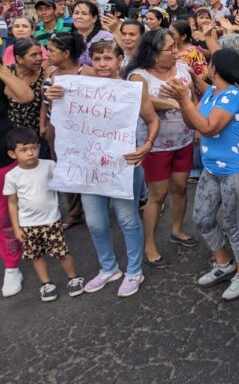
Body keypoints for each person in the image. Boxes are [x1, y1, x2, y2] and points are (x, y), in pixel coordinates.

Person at [50, 40, 159, 297]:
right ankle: (108, 268)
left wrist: (147, 145)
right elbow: (62, 117)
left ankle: (134, 271)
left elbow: (152, 119)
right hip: (88, 167)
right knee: (96, 223)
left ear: (120, 60)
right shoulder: (77, 88)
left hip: (123, 166)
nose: (102, 64)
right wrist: (54, 97)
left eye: (108, 58)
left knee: (127, 220)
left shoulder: (131, 90)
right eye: (97, 59)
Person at [162, 49, 239, 301]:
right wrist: (184, 100)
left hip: (236, 170)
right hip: (212, 168)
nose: (206, 66)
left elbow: (207, 127)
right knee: (202, 218)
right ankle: (223, 263)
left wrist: (184, 99)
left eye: (209, 63)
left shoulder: (232, 96)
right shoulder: (211, 92)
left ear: (215, 68)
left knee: (233, 224)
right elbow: (191, 122)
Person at [125, 30, 198, 268]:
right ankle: (149, 244)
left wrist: (196, 122)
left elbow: (193, 98)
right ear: (154, 54)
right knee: (157, 194)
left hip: (184, 140)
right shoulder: (138, 76)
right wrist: (176, 102)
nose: (176, 52)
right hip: (155, 145)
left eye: (176, 46)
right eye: (170, 48)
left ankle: (177, 230)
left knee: (180, 188)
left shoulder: (183, 69)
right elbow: (144, 100)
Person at [4, 127, 85, 302]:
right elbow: (12, 202)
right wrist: (16, 227)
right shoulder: (12, 176)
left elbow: (64, 180)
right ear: (12, 154)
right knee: (37, 255)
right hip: (28, 225)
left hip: (52, 221)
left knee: (61, 252)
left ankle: (73, 278)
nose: (30, 153)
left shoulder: (49, 165)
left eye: (34, 148)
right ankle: (46, 284)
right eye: (24, 150)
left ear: (39, 147)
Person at [0, 64, 34, 297]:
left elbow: (25, 96)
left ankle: (12, 267)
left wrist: (2, 71)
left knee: (6, 218)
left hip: (3, 159)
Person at [71, 0, 114, 66]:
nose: (79, 17)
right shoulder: (68, 37)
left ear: (94, 18)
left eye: (84, 14)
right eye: (76, 13)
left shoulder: (106, 37)